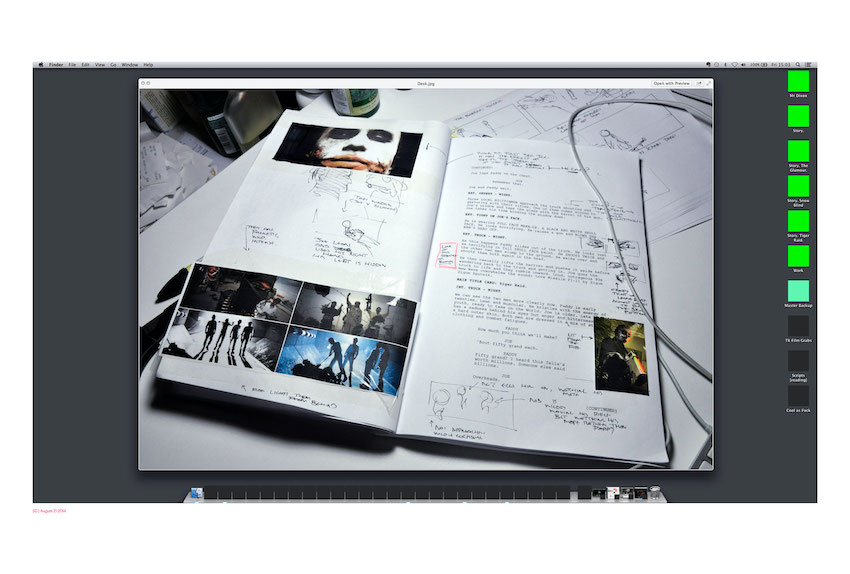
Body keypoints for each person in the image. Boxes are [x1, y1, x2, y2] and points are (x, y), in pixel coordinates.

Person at [597, 324, 635, 391]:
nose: (627, 336)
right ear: (618, 332)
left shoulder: (624, 350)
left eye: (628, 334)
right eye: (624, 332)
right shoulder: (608, 342)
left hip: (621, 383)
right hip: (609, 381)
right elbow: (611, 359)